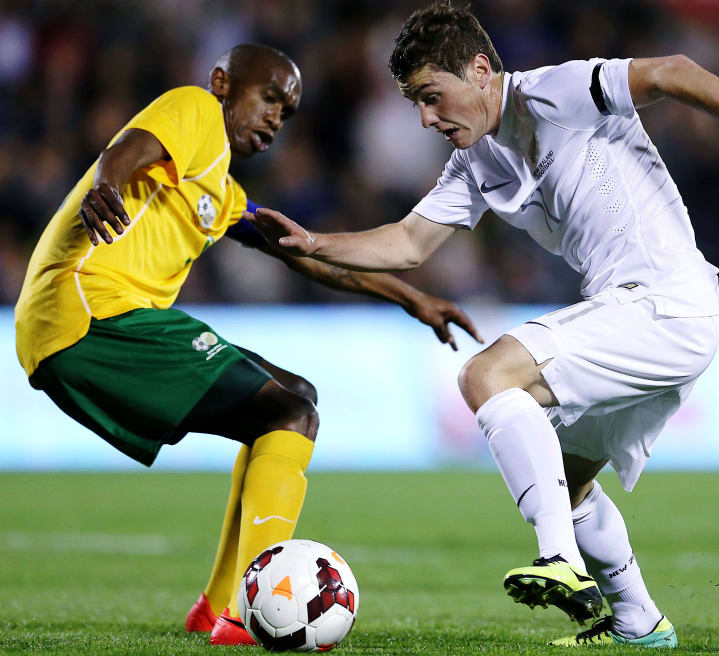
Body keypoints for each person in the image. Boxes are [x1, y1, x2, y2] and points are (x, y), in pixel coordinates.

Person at [245, 2, 719, 647]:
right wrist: (313, 243)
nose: (426, 117)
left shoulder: (551, 92)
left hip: (662, 302)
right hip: (639, 316)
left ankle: (559, 559)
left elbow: (670, 70)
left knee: (486, 374)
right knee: (566, 475)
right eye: (416, 104)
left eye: (431, 96)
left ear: (480, 70)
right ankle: (639, 621)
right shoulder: (476, 161)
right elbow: (407, 244)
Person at [13, 43, 480, 647]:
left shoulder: (222, 195)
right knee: (292, 409)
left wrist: (409, 297)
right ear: (222, 83)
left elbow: (306, 257)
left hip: (91, 327)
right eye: (268, 99)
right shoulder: (195, 110)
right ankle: (247, 614)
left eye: (285, 114)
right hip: (91, 310)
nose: (274, 120)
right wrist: (106, 182)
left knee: (284, 409)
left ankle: (217, 607)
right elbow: (125, 151)